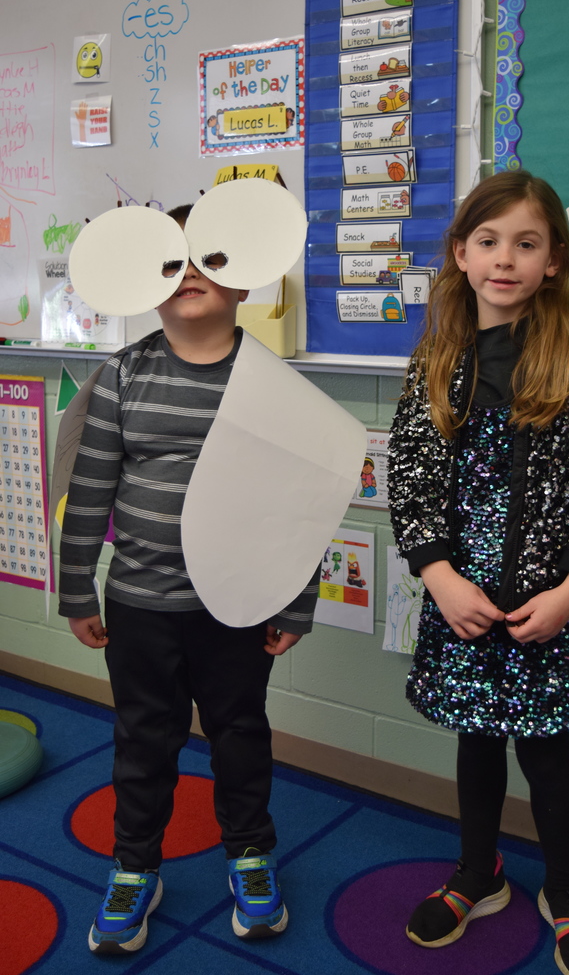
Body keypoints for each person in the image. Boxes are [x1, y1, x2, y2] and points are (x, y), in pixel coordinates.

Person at [387, 171, 569, 975]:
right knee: (477, 740)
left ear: (553, 260)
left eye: (526, 243)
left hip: (547, 603)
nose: (505, 259)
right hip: (461, 597)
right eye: (487, 242)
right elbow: (411, 479)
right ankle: (477, 873)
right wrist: (440, 577)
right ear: (460, 253)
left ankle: (563, 889)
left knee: (547, 751)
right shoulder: (436, 357)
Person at [58, 203, 320, 955]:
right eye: (170, 260)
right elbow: (93, 490)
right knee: (144, 740)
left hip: (236, 603)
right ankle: (135, 866)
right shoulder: (121, 375)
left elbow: (296, 506)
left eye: (208, 257)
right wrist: (77, 587)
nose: (190, 274)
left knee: (239, 733)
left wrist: (295, 601)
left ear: (245, 282)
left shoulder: (270, 383)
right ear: (147, 278)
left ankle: (248, 853)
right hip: (140, 604)